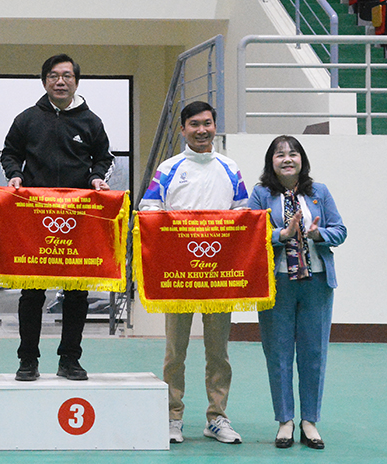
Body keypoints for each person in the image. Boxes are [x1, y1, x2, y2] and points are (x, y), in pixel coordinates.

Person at [138, 101, 248, 445]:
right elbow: (149, 207)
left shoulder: (230, 168)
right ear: (183, 129)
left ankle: (217, 417)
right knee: (176, 351)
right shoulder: (169, 168)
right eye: (194, 124)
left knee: (218, 352)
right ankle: (174, 416)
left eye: (207, 123)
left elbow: (243, 213)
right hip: (179, 276)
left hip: (218, 275)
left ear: (215, 126)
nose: (202, 130)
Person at [0, 54, 114, 382]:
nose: (59, 81)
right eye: (53, 76)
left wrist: (95, 177)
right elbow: (10, 152)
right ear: (44, 81)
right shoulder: (27, 119)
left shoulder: (91, 122)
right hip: (36, 216)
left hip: (78, 218)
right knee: (32, 293)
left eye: (66, 76)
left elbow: (103, 157)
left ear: (76, 81)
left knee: (76, 292)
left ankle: (70, 360)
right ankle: (27, 360)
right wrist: (15, 174)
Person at [248, 135, 346, 450]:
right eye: (280, 155)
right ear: (271, 162)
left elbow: (340, 231)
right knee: (277, 354)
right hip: (277, 284)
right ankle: (285, 422)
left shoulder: (320, 192)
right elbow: (250, 234)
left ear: (302, 160)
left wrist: (319, 233)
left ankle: (310, 422)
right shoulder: (261, 194)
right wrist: (282, 234)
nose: (287, 159)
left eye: (293, 154)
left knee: (314, 353)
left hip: (317, 282)